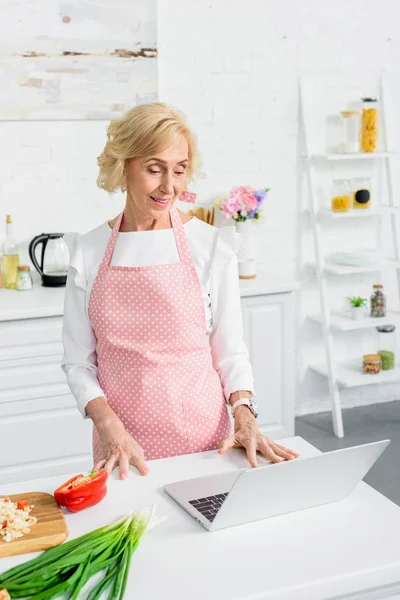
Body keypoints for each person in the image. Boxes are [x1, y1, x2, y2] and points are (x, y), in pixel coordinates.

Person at [61, 102, 299, 480]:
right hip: (122, 445)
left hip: (206, 440)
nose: (169, 187)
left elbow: (230, 350)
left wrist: (244, 416)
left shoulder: (210, 246)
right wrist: (107, 426)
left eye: (180, 170)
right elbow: (78, 363)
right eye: (154, 169)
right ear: (124, 167)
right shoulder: (87, 252)